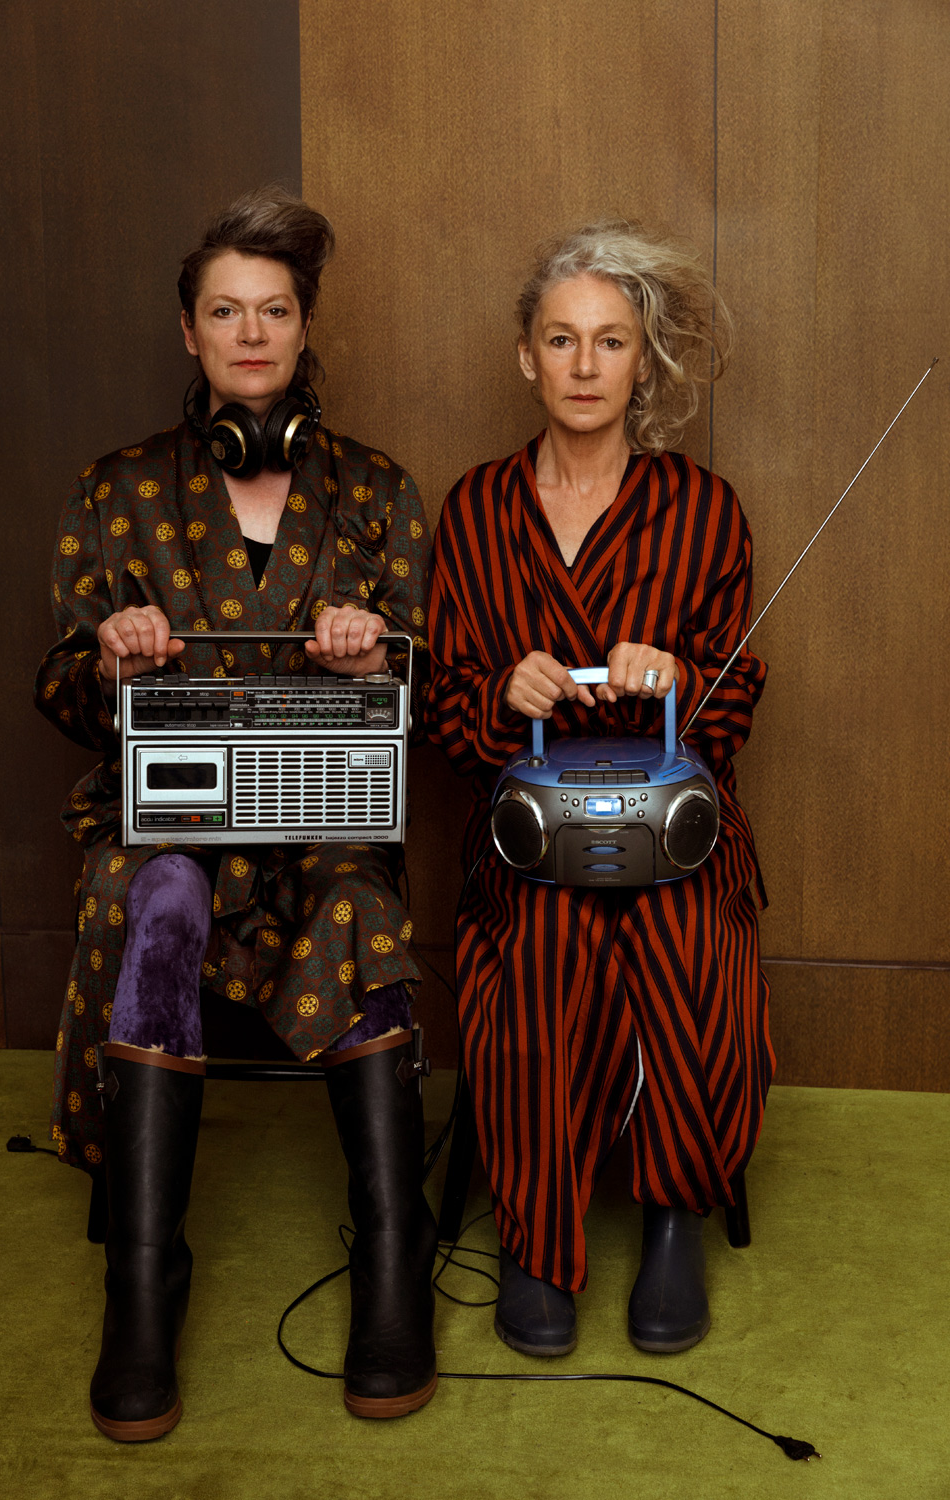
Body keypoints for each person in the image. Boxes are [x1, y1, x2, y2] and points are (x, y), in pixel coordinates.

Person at [35, 186, 437, 1438]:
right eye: (225, 312)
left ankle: (392, 1259)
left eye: (273, 311)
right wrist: (113, 658)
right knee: (151, 892)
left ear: (304, 328)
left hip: (322, 826)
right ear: (189, 332)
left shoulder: (375, 489)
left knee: (361, 902)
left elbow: (430, 688)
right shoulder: (113, 490)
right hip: (169, 828)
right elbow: (57, 689)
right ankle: (143, 1286)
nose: (250, 334)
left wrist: (377, 655)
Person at [426, 217, 771, 1359]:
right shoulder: (474, 509)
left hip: (673, 833)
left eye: (610, 341)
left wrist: (675, 676)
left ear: (642, 360)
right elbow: (443, 709)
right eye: (562, 339)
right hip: (530, 837)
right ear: (525, 355)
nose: (585, 366)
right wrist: (503, 691)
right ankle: (540, 1234)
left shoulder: (705, 509)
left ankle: (673, 1217)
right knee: (540, 940)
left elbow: (734, 694)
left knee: (686, 929)